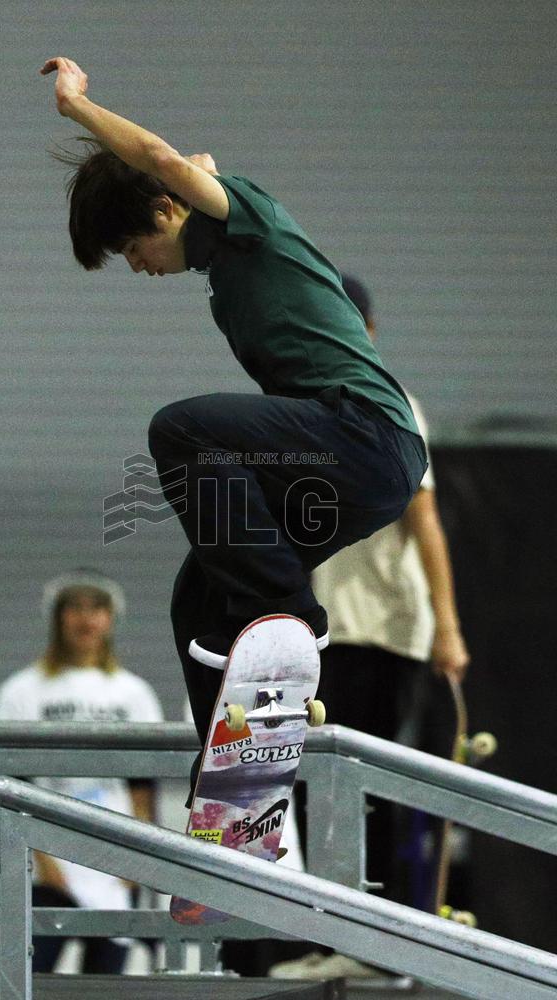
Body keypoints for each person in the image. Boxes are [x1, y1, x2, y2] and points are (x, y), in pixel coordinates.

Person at [40, 57, 428, 791]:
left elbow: (160, 162)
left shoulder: (246, 218)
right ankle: (232, 770)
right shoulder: (221, 247)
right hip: (338, 464)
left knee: (181, 429)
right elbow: (189, 164)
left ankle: (287, 613)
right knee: (199, 593)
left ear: (165, 212)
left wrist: (78, 108)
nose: (137, 268)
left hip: (367, 436)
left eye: (131, 249)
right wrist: (182, 169)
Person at [269, 275, 470, 981]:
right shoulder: (300, 406)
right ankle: (326, 937)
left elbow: (425, 523)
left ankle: (371, 943)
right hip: (321, 630)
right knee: (303, 783)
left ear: (370, 331)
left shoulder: (391, 403)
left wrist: (447, 625)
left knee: (369, 786)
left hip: (382, 629)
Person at [0, 569, 163, 974]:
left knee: (104, 981)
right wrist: (41, 860)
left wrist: (137, 861)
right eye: (75, 608)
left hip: (115, 856)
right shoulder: (21, 691)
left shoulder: (133, 693)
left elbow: (143, 783)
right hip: (47, 857)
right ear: (58, 617)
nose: (86, 619)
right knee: (26, 974)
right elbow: (13, 785)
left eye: (97, 608)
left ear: (110, 619)